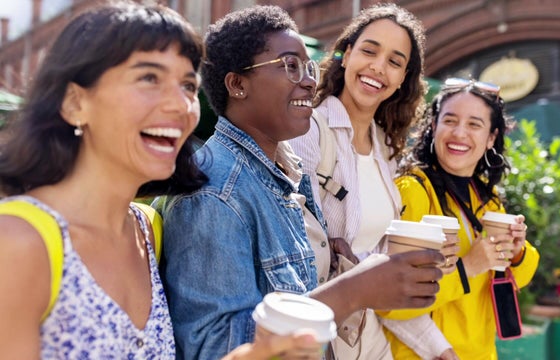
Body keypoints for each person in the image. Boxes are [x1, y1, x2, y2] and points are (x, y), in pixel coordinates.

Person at [0, 2, 325, 359]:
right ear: (76, 103)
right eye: (149, 78)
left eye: (188, 84)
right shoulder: (19, 242)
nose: (180, 104)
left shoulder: (147, 230)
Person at [159, 5, 443, 359]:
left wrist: (330, 257)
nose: (310, 80)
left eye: (307, 66)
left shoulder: (284, 170)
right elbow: (214, 348)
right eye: (290, 66)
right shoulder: (215, 193)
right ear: (237, 84)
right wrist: (352, 292)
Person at [289, 4, 457, 359]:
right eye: (369, 51)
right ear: (346, 55)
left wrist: (441, 350)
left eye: (395, 62)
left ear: (401, 79)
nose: (379, 67)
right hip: (322, 340)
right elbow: (296, 254)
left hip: (373, 343)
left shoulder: (386, 152)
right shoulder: (309, 131)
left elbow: (385, 272)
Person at [393, 78, 540, 359]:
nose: (459, 133)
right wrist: (468, 266)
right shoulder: (412, 190)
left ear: (491, 138)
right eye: (450, 121)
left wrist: (518, 251)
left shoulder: (487, 197)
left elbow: (516, 278)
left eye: (474, 124)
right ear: (433, 126)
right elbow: (399, 296)